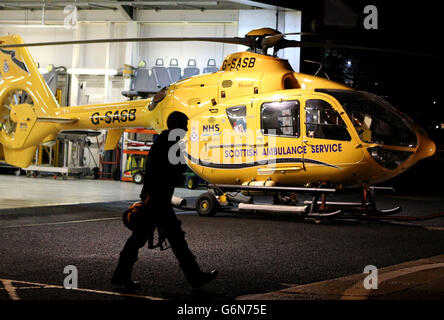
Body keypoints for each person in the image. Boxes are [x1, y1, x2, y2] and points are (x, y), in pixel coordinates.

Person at [111, 111, 218, 291]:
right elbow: (171, 171)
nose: (186, 128)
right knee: (169, 239)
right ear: (177, 125)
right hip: (157, 200)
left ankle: (121, 276)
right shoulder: (170, 142)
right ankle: (194, 277)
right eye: (184, 124)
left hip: (157, 198)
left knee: (150, 239)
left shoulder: (166, 141)